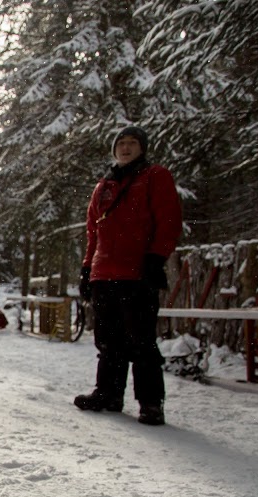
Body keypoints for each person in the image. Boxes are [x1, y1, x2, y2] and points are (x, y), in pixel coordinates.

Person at [74, 125, 182, 425]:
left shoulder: (155, 177)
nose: (125, 148)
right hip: (103, 274)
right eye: (121, 143)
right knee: (108, 341)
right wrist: (87, 269)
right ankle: (108, 393)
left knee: (142, 341)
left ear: (142, 148)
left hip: (137, 274)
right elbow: (93, 233)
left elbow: (169, 219)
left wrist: (156, 258)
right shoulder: (103, 187)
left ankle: (150, 403)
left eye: (132, 143)